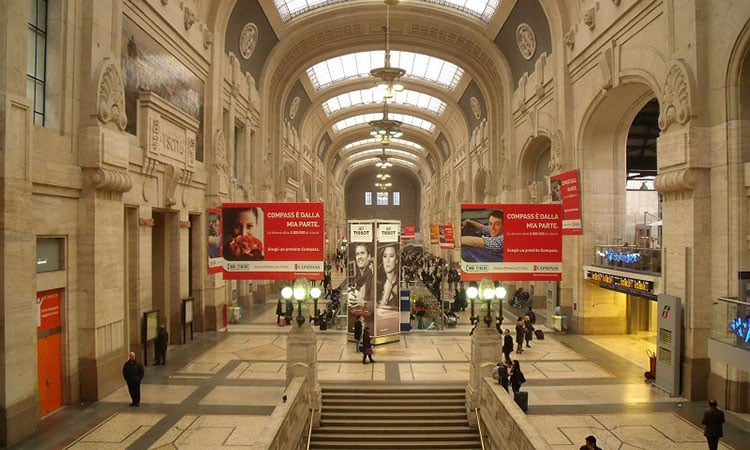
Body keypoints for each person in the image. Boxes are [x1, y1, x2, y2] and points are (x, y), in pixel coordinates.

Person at [347, 244, 374, 311]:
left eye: (362, 253)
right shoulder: (358, 279)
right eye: (357, 254)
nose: (359, 257)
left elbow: (380, 304)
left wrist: (364, 304)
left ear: (369, 257)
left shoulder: (373, 278)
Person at [377, 243, 400, 309]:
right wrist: (386, 295)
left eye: (391, 256)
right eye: (385, 256)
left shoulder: (400, 284)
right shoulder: (377, 284)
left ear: (396, 260)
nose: (387, 260)